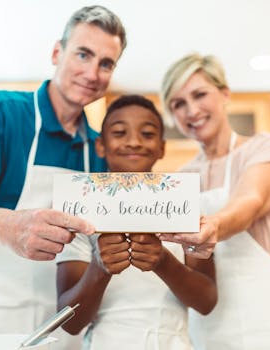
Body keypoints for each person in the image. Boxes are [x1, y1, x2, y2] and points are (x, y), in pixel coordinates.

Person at [0, 5, 126, 349]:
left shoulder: (99, 150)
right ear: (57, 52)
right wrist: (6, 226)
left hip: (64, 324)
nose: (92, 73)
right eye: (83, 54)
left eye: (106, 64)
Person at [158, 54, 270, 350]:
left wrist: (214, 226)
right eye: (178, 104)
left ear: (225, 94)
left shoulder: (265, 148)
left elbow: (251, 200)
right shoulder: (181, 178)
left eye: (199, 94)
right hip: (211, 330)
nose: (191, 110)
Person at [55, 95, 217, 350]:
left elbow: (207, 300)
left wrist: (164, 263)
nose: (134, 142)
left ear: (162, 147)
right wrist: (98, 268)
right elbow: (69, 322)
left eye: (148, 134)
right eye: (120, 132)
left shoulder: (185, 203)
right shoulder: (81, 207)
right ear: (100, 145)